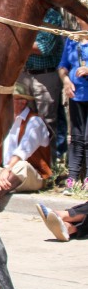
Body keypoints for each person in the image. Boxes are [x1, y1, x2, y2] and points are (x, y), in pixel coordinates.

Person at [0, 83, 52, 205]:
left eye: (22, 100)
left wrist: (7, 170)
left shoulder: (35, 121)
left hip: (33, 175)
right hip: (6, 172)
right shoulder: (5, 120)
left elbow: (24, 150)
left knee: (21, 166)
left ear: (25, 102)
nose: (20, 103)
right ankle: (2, 185)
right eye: (15, 99)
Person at [19, 8, 64, 162]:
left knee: (46, 123)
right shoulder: (25, 13)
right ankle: (30, 163)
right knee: (25, 120)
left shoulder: (52, 17)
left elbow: (43, 47)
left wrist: (18, 41)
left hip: (45, 77)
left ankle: (49, 165)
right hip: (25, 75)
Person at [58, 21, 88, 183]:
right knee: (76, 137)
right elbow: (63, 66)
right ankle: (72, 178)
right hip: (76, 95)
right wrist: (66, 81)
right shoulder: (72, 40)